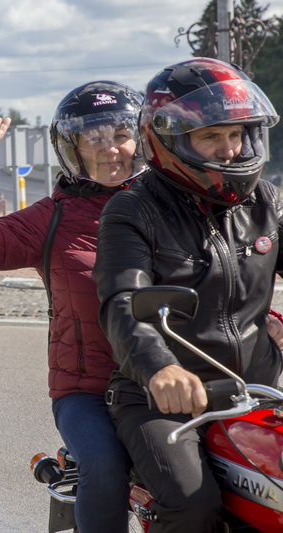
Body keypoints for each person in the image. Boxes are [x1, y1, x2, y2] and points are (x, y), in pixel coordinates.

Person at [0, 81, 147, 532]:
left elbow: (225, 275)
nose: (110, 148)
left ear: (142, 140)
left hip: (169, 378)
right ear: (73, 148)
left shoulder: (170, 208)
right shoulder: (51, 218)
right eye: (94, 138)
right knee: (104, 467)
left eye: (121, 135)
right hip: (88, 391)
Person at [93, 58, 282, 532]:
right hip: (163, 400)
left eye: (236, 134)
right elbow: (123, 303)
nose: (230, 150)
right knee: (193, 505)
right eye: (211, 136)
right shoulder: (132, 210)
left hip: (257, 392)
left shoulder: (266, 202)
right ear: (171, 140)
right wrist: (161, 368)